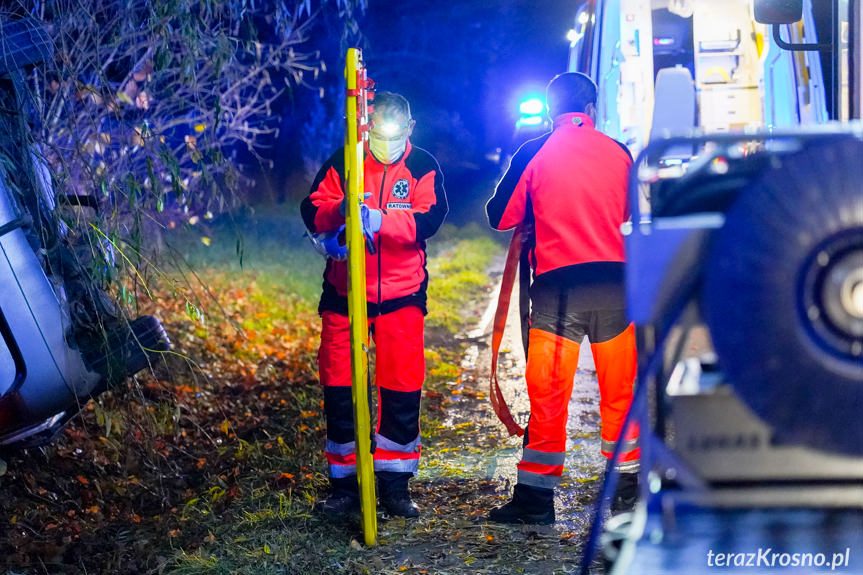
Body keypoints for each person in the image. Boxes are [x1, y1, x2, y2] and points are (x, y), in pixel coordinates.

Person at [485, 72, 638, 524]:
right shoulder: (620, 152)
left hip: (556, 294)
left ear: (552, 112)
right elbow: (633, 214)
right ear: (591, 110)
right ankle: (629, 494)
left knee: (549, 396)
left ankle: (535, 500)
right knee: (620, 395)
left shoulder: (533, 151)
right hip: (615, 290)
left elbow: (499, 215)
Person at [300, 92, 448, 518]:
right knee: (340, 387)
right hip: (344, 295)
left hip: (401, 294)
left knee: (401, 386)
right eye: (379, 126)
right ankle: (345, 487)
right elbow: (312, 209)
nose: (387, 136)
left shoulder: (422, 166)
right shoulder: (346, 159)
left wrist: (383, 220)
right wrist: (342, 211)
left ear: (410, 128)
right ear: (366, 126)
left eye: (395, 127)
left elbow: (430, 218)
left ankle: (395, 485)